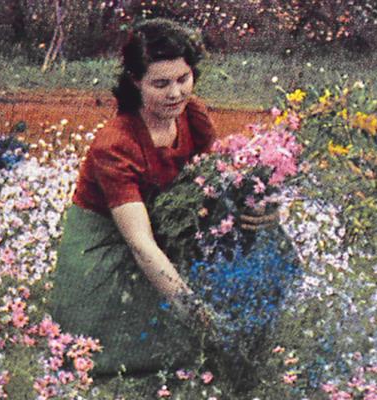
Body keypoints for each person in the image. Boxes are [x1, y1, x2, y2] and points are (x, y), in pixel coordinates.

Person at [45, 19, 275, 376]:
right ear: (135, 82)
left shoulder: (191, 115)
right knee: (114, 357)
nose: (175, 94)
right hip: (107, 249)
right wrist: (199, 316)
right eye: (160, 84)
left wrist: (259, 206)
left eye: (183, 79)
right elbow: (141, 245)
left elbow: (217, 185)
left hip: (164, 228)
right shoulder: (116, 144)